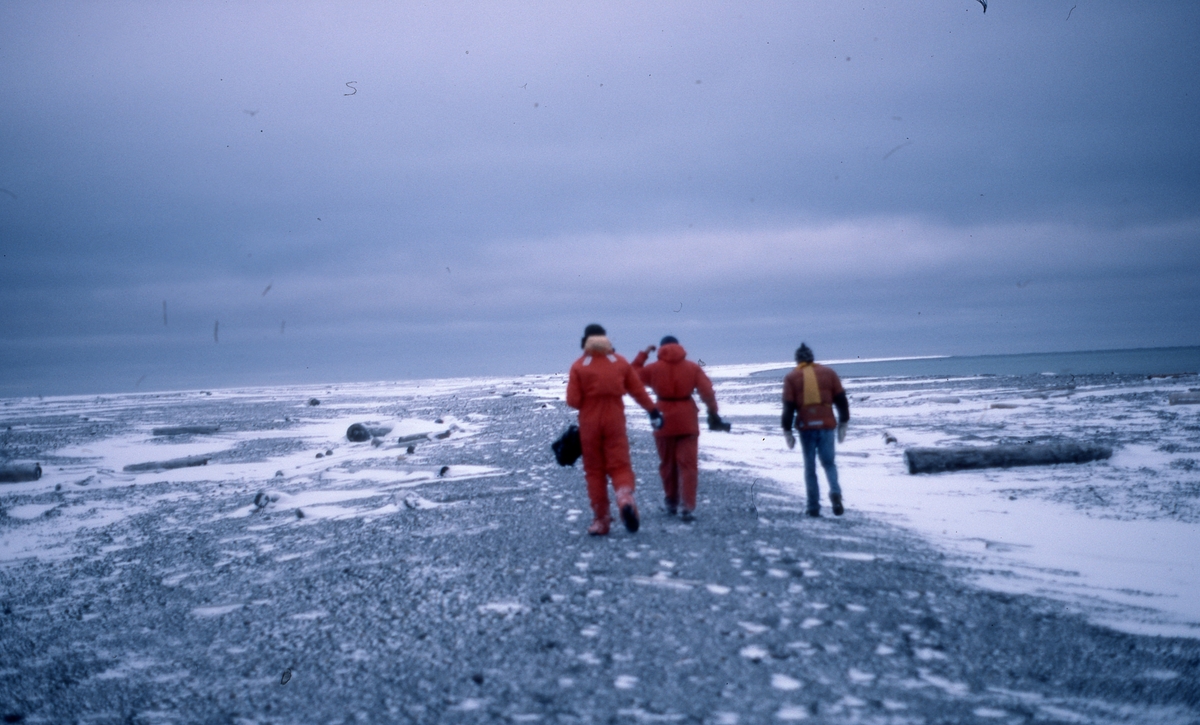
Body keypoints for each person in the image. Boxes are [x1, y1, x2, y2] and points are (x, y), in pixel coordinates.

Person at [567, 324, 663, 535]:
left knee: (594, 472)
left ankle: (601, 521)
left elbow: (572, 401)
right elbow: (637, 391)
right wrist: (653, 411)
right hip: (614, 420)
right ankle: (624, 498)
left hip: (590, 422)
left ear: (586, 341)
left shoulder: (579, 365)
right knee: (620, 466)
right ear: (606, 339)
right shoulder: (619, 362)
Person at [632, 335, 726, 522]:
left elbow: (632, 375)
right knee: (688, 466)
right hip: (687, 420)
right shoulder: (692, 368)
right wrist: (713, 412)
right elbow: (707, 391)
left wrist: (643, 354)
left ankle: (671, 502)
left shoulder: (653, 369)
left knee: (667, 464)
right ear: (679, 346)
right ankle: (687, 506)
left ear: (661, 348)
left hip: (662, 419)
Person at [781, 343, 850, 517]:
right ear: (812, 357)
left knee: (810, 468)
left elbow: (788, 407)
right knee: (829, 463)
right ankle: (835, 492)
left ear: (798, 360)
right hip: (827, 425)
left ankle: (813, 507)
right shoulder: (829, 373)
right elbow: (841, 400)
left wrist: (787, 431)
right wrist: (843, 423)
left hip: (806, 427)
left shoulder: (792, 377)